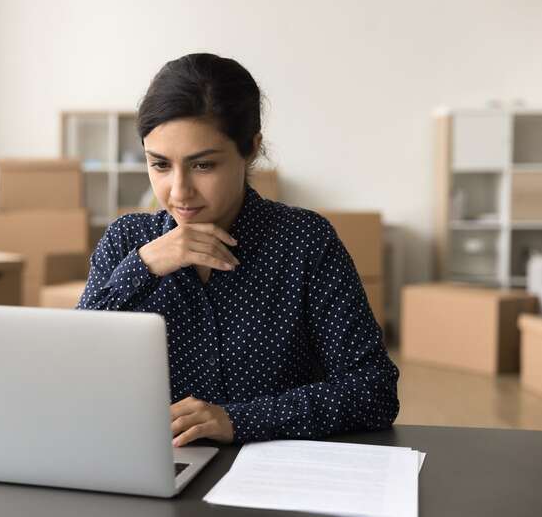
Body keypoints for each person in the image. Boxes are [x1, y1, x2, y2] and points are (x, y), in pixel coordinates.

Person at [76, 53, 400, 447]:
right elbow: (76, 365)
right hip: (153, 468)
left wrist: (239, 420)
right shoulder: (128, 241)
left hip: (275, 475)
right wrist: (144, 266)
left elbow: (374, 391)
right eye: (160, 165)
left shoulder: (304, 241)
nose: (179, 192)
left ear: (250, 148)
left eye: (203, 166)